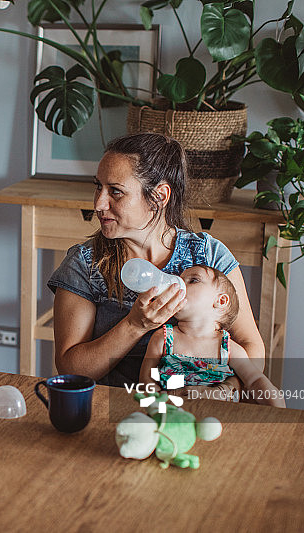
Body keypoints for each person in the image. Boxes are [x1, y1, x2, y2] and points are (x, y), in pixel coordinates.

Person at [47, 133, 265, 396]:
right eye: (98, 187)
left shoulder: (208, 256)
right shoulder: (85, 263)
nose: (98, 203)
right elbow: (71, 370)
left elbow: (251, 347)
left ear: (159, 196)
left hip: (205, 409)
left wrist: (226, 388)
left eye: (115, 191)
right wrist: (135, 325)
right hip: (116, 408)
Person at [139, 265, 285, 407]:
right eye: (179, 280)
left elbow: (254, 379)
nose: (180, 285)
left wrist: (278, 409)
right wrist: (161, 402)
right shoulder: (163, 339)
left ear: (220, 301)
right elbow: (146, 379)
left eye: (193, 280)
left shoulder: (228, 348)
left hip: (217, 417)